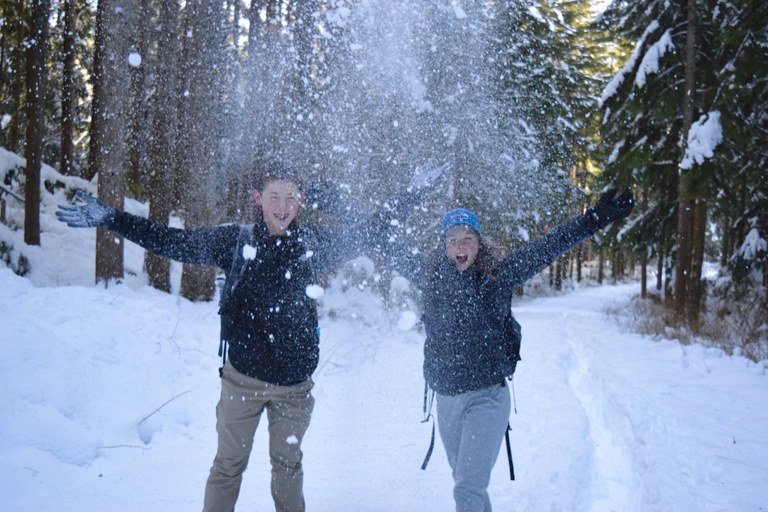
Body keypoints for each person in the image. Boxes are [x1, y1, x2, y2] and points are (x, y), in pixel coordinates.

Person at [56, 161, 446, 512]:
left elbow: (371, 231)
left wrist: (415, 192)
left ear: (301, 201)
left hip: (294, 388)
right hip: (241, 381)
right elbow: (174, 242)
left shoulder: (313, 246)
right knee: (228, 466)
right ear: (258, 198)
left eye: (290, 197)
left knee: (288, 466)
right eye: (274, 196)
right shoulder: (234, 242)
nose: (282, 206)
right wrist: (113, 219)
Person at [388, 188, 634, 512]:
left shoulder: (499, 274)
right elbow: (384, 241)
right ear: (443, 245)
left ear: (479, 243)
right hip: (446, 399)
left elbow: (547, 247)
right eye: (453, 240)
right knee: (466, 483)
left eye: (468, 239)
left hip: (487, 398)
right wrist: (409, 197)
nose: (460, 246)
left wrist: (593, 219)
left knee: (467, 489)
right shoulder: (431, 275)